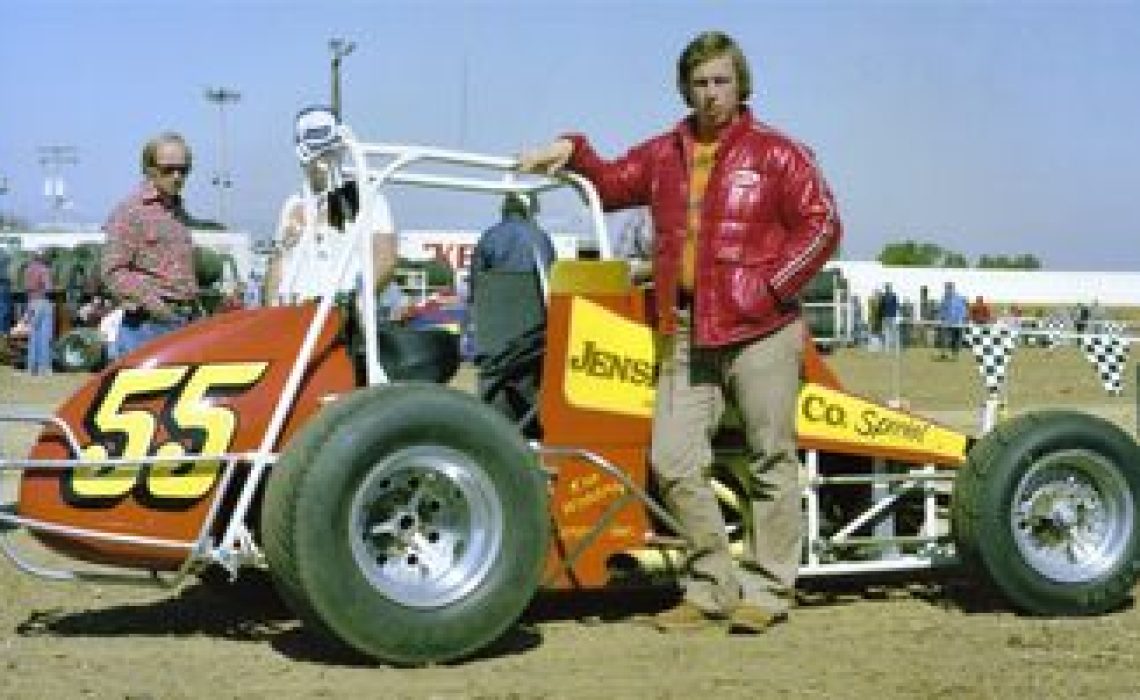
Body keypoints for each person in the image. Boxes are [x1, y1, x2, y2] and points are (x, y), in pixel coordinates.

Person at [519, 30, 841, 633]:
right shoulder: (666, 152)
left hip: (763, 329)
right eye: (700, 83)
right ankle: (712, 586)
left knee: (770, 458)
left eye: (722, 80)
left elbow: (822, 224)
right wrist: (573, 149)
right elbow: (613, 183)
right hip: (688, 328)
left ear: (741, 84)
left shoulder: (779, 153)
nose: (711, 93)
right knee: (672, 460)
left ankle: (770, 592)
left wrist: (770, 288)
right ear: (685, 89)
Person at [101, 132, 200, 359]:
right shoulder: (130, 211)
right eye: (168, 170)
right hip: (147, 327)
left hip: (182, 322)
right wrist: (157, 307)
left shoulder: (178, 212)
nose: (177, 177)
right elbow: (113, 271)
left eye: (184, 170)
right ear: (149, 169)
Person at [22, 249, 54, 377]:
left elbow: (26, 288)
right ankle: (43, 368)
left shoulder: (28, 269)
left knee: (33, 337)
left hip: (31, 302)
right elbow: (48, 288)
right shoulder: (44, 270)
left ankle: (31, 368)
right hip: (42, 302)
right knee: (45, 337)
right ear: (42, 257)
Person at [936, 281, 968, 359]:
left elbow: (963, 309)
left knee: (956, 339)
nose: (948, 289)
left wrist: (963, 318)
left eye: (949, 287)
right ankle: (944, 353)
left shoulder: (960, 297)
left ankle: (955, 354)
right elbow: (941, 309)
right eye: (947, 287)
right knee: (944, 338)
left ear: (953, 288)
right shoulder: (944, 298)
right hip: (946, 322)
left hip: (957, 322)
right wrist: (940, 318)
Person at [880, 283, 900, 353]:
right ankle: (886, 348)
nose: (887, 289)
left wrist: (896, 314)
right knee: (886, 332)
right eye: (886, 288)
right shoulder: (883, 297)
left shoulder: (894, 296)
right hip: (886, 316)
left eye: (888, 288)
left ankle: (895, 347)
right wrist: (882, 316)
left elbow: (897, 306)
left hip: (892, 316)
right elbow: (881, 307)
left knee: (894, 332)